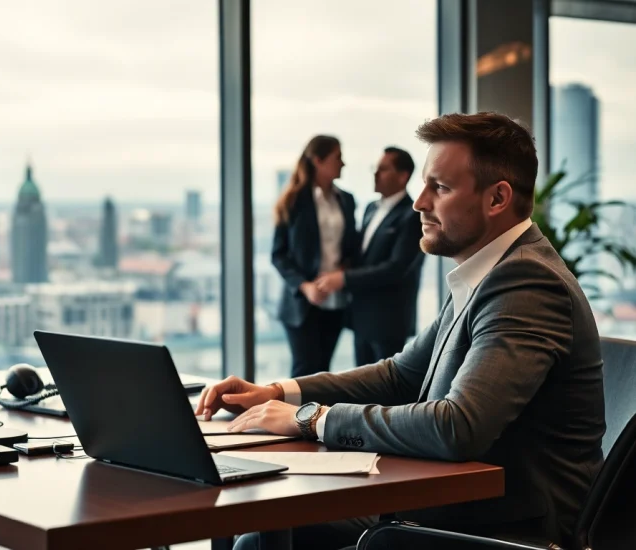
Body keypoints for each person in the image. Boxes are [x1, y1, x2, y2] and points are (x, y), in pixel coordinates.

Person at [198, 112, 605, 550]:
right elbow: (400, 374)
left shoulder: (526, 282)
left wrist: (312, 419)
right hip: (450, 505)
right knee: (259, 533)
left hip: (503, 528)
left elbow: (458, 426)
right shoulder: (485, 272)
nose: (419, 203)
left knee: (261, 540)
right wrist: (279, 392)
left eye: (440, 188)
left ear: (497, 199)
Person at [315, 146, 425, 366]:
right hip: (361, 317)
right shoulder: (371, 208)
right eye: (375, 168)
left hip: (388, 320)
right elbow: (360, 255)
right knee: (361, 387)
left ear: (403, 176)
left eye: (383, 169)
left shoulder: (411, 216)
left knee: (388, 393)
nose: (375, 174)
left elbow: (396, 268)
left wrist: (344, 279)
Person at [272, 135, 360, 378]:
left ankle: (317, 418)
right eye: (337, 157)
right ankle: (291, 418)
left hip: (336, 299)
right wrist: (306, 286)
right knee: (304, 371)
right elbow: (278, 255)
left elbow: (352, 248)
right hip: (301, 303)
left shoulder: (347, 200)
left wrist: (342, 272)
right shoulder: (293, 200)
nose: (343, 163)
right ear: (318, 161)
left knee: (323, 374)